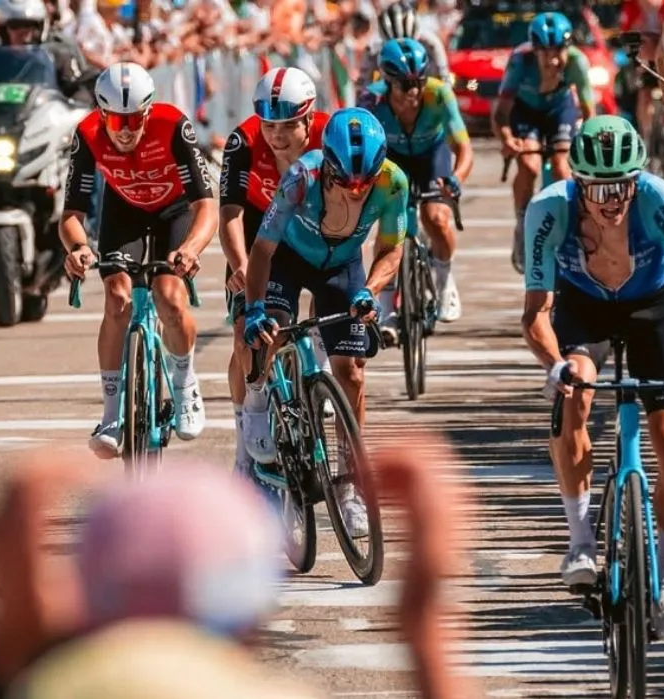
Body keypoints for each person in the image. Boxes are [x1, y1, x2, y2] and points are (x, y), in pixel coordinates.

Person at [521, 116, 664, 642]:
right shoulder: (549, 209)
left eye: (622, 185)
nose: (613, 200)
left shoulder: (657, 199)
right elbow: (535, 313)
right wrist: (554, 365)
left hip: (651, 309)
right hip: (583, 310)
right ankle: (581, 539)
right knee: (575, 396)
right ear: (578, 182)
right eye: (599, 188)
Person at [239, 107, 410, 537]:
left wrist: (370, 290)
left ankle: (349, 488)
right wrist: (255, 306)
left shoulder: (393, 182)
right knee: (270, 330)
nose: (355, 190)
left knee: (351, 372)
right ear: (327, 163)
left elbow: (391, 248)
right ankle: (258, 396)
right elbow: (261, 251)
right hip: (288, 260)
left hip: (342, 266)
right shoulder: (301, 176)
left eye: (363, 181)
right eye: (345, 179)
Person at [60, 62, 217, 458]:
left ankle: (185, 385)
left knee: (168, 295)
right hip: (124, 210)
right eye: (116, 119)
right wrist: (78, 248)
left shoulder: (173, 126)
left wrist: (191, 250)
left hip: (175, 211)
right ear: (101, 113)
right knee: (117, 299)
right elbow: (71, 217)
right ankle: (112, 414)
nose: (126, 129)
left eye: (134, 119)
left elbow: (206, 207)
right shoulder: (87, 134)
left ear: (148, 112)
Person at [220, 66, 331, 479]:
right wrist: (240, 265)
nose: (276, 136)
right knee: (245, 331)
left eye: (286, 126)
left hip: (314, 231)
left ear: (308, 117)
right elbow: (229, 212)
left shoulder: (330, 135)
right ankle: (247, 429)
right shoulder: (243, 141)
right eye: (269, 125)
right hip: (257, 231)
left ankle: (315, 375)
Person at [0, 0, 94, 283]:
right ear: (1, 27)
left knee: (89, 162)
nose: (22, 33)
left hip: (45, 134)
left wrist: (80, 110)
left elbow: (81, 85)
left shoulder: (61, 48)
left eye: (29, 27)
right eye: (15, 27)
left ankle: (89, 231)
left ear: (41, 25)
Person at [359, 37, 472, 339]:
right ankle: (388, 309)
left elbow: (463, 147)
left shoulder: (439, 93)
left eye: (418, 83)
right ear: (386, 81)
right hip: (392, 161)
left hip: (431, 158)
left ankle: (445, 280)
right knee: (390, 231)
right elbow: (360, 149)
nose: (413, 92)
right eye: (404, 85)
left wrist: (456, 179)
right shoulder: (371, 100)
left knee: (436, 217)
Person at [494, 11, 596, 274]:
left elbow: (589, 111)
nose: (552, 60)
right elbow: (501, 112)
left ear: (568, 48)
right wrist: (506, 139)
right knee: (529, 165)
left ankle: (568, 225)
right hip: (526, 111)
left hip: (559, 110)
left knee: (563, 168)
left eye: (558, 52)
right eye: (545, 53)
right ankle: (521, 223)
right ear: (534, 50)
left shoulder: (576, 63)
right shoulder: (519, 61)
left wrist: (587, 142)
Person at [355, 1, 450, 93]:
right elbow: (362, 90)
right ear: (383, 38)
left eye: (408, 48)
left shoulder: (432, 44)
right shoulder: (373, 49)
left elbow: (444, 86)